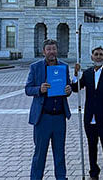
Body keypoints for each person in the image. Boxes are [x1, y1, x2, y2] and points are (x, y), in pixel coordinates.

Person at [25, 39, 73, 180]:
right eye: (49, 49)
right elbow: (28, 89)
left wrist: (68, 90)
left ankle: (61, 178)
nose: (52, 52)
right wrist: (39, 89)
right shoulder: (36, 67)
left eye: (54, 49)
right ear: (43, 51)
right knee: (40, 154)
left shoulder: (63, 67)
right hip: (43, 118)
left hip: (59, 117)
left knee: (60, 154)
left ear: (57, 50)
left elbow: (67, 87)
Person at [73, 46, 103, 180]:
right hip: (90, 118)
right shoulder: (87, 73)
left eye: (101, 54)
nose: (98, 57)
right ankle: (93, 172)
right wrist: (75, 75)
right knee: (92, 146)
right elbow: (76, 88)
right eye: (96, 54)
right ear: (92, 57)